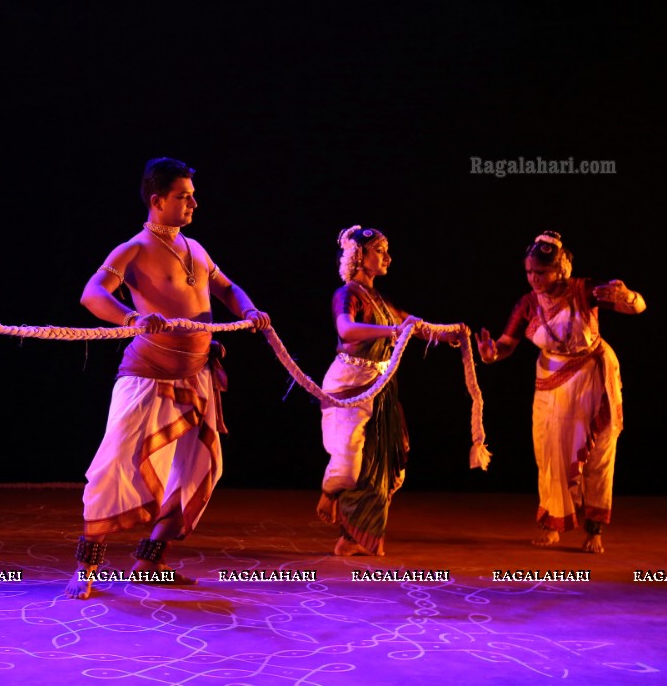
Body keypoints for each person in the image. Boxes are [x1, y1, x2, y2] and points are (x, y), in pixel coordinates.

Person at [65, 157, 270, 599]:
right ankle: (87, 565)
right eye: (183, 196)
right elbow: (91, 294)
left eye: (192, 194)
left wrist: (249, 310)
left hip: (196, 377)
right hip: (147, 375)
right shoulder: (134, 248)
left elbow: (227, 288)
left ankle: (148, 565)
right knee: (115, 466)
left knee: (197, 471)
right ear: (158, 201)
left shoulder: (196, 249)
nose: (194, 202)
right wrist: (131, 317)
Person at [476, 231, 645, 553]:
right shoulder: (527, 303)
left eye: (541, 272)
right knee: (549, 452)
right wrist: (490, 354)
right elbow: (505, 345)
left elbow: (638, 308)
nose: (534, 278)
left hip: (591, 378)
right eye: (529, 272)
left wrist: (627, 295)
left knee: (596, 454)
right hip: (550, 383)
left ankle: (594, 529)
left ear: (560, 270)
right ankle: (552, 522)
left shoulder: (585, 291)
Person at [316, 226, 461, 556]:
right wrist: (392, 330)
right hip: (351, 385)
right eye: (380, 250)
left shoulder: (380, 300)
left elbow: (416, 326)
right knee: (350, 465)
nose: (387, 257)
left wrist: (450, 334)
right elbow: (346, 328)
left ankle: (353, 538)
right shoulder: (347, 294)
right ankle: (330, 490)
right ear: (360, 256)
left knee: (385, 461)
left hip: (380, 386)